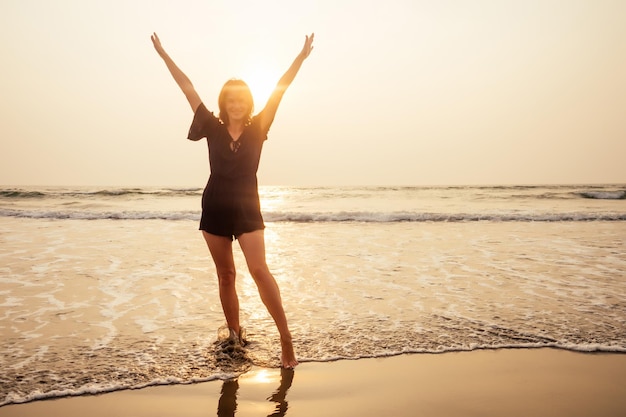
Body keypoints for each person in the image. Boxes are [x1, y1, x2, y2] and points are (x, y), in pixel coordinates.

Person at [151, 32, 313, 368]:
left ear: (248, 103)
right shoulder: (211, 125)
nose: (236, 104)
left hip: (247, 206)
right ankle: (235, 336)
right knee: (226, 275)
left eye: (241, 99)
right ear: (224, 103)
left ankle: (286, 340)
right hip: (215, 204)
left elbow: (282, 86)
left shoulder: (259, 126)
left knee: (259, 270)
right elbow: (187, 87)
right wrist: (164, 55)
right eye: (230, 99)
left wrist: (300, 58)